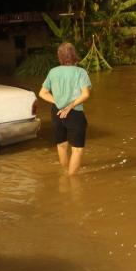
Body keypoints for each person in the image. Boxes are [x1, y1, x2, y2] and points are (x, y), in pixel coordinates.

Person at [38, 43, 92, 176]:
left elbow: (42, 93)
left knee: (61, 145)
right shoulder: (81, 72)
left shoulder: (53, 72)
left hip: (57, 112)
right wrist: (70, 105)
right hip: (75, 113)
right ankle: (72, 180)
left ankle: (65, 174)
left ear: (60, 57)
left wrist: (59, 102)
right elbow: (85, 94)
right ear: (74, 55)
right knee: (77, 150)